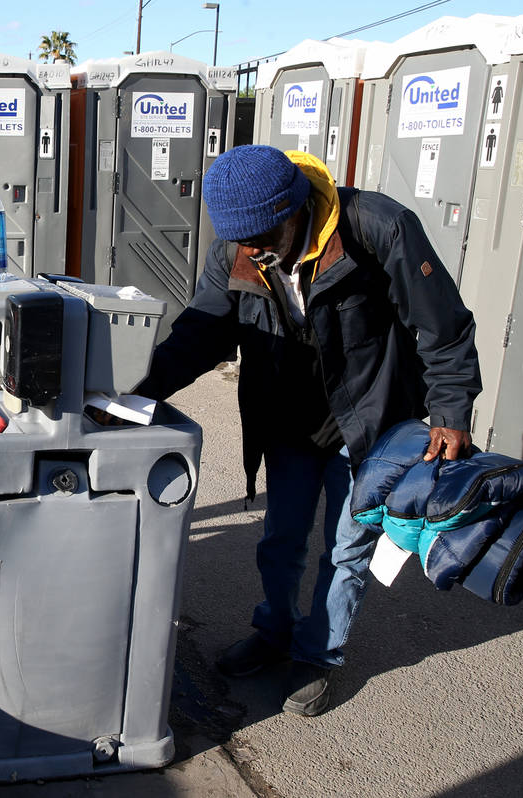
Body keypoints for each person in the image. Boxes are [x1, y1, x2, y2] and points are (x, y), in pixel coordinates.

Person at [136, 145, 480, 717]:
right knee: (280, 541)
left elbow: (442, 325)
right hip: (290, 420)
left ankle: (319, 654)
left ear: (296, 208)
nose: (252, 250)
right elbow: (201, 331)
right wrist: (136, 392)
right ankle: (274, 631)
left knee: (346, 550)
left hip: (368, 421)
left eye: (264, 236)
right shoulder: (240, 248)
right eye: (242, 240)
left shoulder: (379, 226)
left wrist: (450, 412)